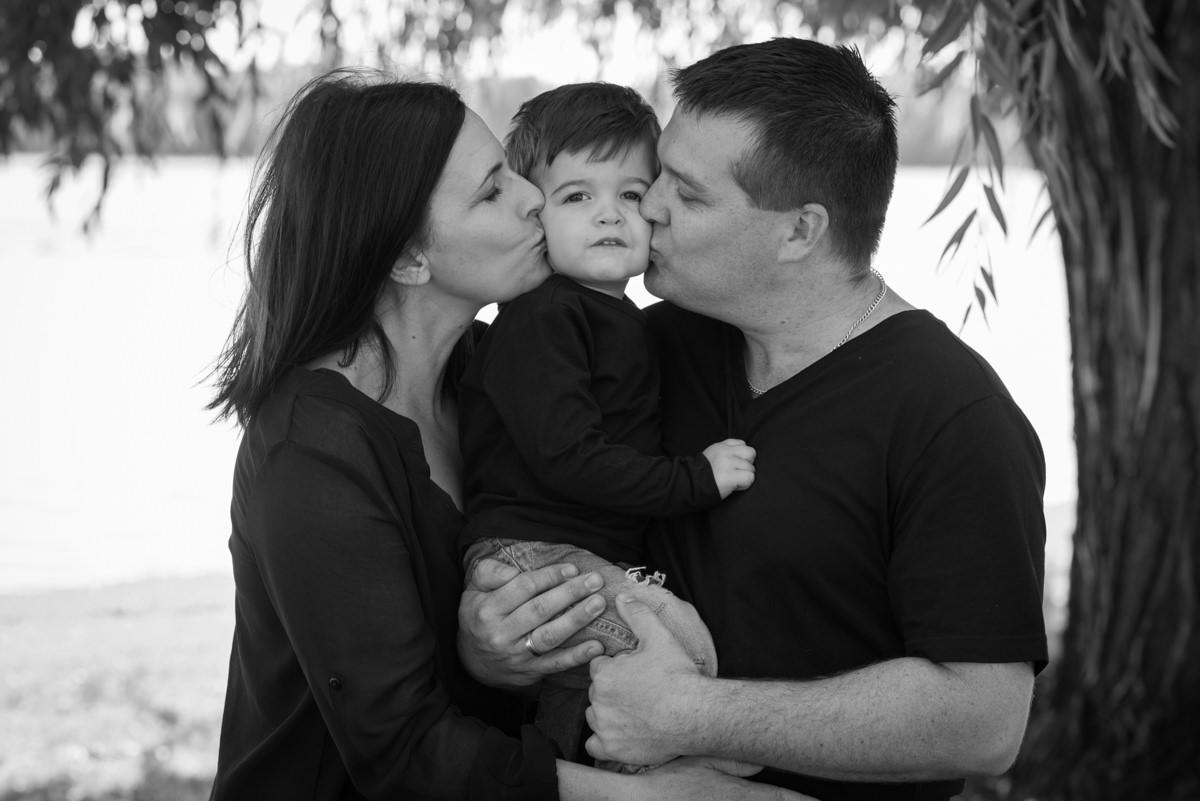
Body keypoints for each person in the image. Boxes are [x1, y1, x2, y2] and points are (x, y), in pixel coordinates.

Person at [460, 38, 1049, 801]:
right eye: (659, 171)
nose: (651, 207)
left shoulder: (950, 415)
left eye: (688, 192)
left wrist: (696, 715)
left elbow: (983, 722)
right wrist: (491, 644)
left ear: (799, 231)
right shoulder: (654, 342)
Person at [205, 69, 810, 801]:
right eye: (494, 189)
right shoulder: (311, 456)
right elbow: (399, 750)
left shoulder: (490, 371)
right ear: (408, 258)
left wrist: (490, 654)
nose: (533, 198)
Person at [457, 82, 755, 761]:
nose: (608, 216)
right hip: (529, 557)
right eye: (576, 197)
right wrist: (695, 480)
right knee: (673, 651)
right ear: (534, 213)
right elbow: (569, 454)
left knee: (594, 708)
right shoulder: (543, 319)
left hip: (580, 557)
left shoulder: (617, 318)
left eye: (630, 194)